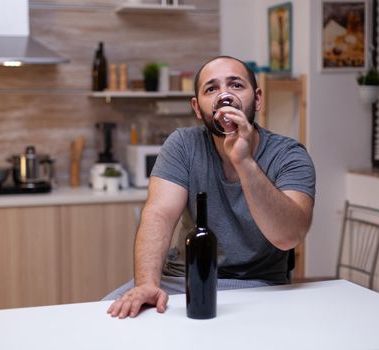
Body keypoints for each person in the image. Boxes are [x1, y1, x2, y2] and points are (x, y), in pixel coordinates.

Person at [105, 56, 316, 318]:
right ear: (197, 107)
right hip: (182, 278)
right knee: (107, 318)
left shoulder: (289, 155)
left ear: (258, 99)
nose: (224, 95)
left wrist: (244, 161)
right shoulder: (183, 145)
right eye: (211, 89)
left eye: (236, 85)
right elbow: (159, 214)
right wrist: (147, 284)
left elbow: (289, 237)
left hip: (256, 285)